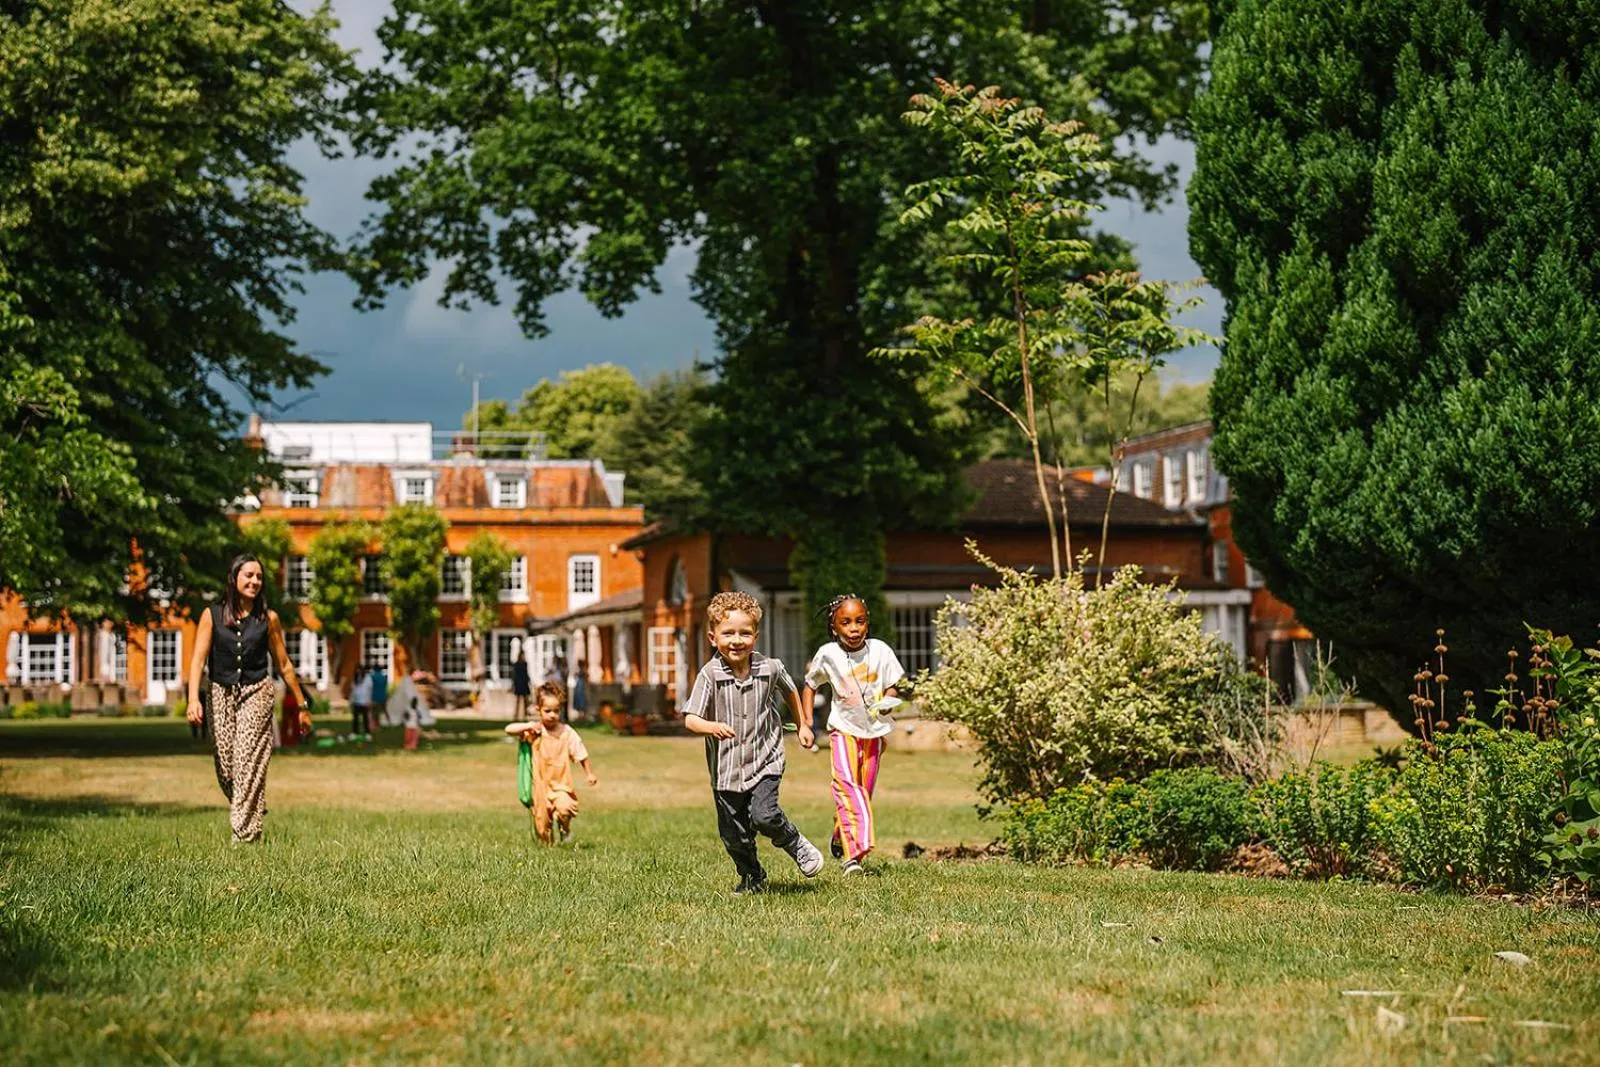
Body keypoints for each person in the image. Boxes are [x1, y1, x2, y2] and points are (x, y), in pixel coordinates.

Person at [682, 591, 824, 894]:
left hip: (765, 760)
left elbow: (790, 691)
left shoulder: (769, 668)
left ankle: (794, 841)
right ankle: (752, 877)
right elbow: (690, 719)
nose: (737, 640)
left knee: (764, 814)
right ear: (712, 637)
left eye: (744, 633)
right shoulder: (709, 675)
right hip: (726, 770)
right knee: (735, 836)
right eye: (728, 633)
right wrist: (712, 726)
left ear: (755, 636)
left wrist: (802, 726)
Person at [185, 553, 312, 844]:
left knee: (247, 761)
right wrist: (193, 699)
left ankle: (244, 837)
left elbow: (284, 665)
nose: (254, 581)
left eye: (259, 577)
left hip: (257, 691)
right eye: (248, 575)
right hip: (219, 692)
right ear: (234, 578)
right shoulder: (211, 615)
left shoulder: (269, 619)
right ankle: (251, 800)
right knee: (227, 767)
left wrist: (302, 705)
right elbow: (197, 661)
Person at [800, 594, 906, 876]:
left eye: (860, 621)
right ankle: (853, 855)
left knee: (863, 793)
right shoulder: (828, 654)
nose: (854, 628)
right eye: (845, 623)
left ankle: (839, 834)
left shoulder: (881, 651)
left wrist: (887, 702)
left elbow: (895, 686)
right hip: (843, 731)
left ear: (867, 625)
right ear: (835, 628)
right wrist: (807, 722)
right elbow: (810, 686)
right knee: (848, 787)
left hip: (874, 736)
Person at [503, 681, 598, 843]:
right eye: (548, 711)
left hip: (562, 785)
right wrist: (529, 725)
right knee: (542, 827)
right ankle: (549, 849)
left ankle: (565, 829)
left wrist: (589, 773)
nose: (553, 715)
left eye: (556, 711)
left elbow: (581, 752)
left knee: (565, 808)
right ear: (538, 710)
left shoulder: (566, 732)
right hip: (540, 788)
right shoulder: (534, 732)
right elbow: (509, 729)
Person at [350, 666, 372, 738]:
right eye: (357, 671)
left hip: (365, 702)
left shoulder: (367, 678)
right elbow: (353, 691)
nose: (358, 672)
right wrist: (352, 701)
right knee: (355, 719)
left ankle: (367, 733)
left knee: (365, 719)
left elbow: (369, 690)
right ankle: (355, 733)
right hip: (357, 702)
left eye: (359, 671)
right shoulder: (355, 679)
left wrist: (368, 701)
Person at [511, 648, 531, 718]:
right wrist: (513, 685)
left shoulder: (525, 664)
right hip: (519, 684)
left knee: (526, 701)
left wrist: (529, 681)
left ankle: (525, 715)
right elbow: (514, 675)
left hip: (524, 683)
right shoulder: (516, 664)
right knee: (518, 701)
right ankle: (516, 715)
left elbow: (526, 674)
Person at [369, 665, 388, 729]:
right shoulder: (384, 677)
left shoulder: (372, 677)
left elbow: (370, 687)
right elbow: (385, 686)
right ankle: (389, 722)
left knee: (375, 712)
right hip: (383, 696)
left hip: (375, 697)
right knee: (385, 710)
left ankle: (376, 725)